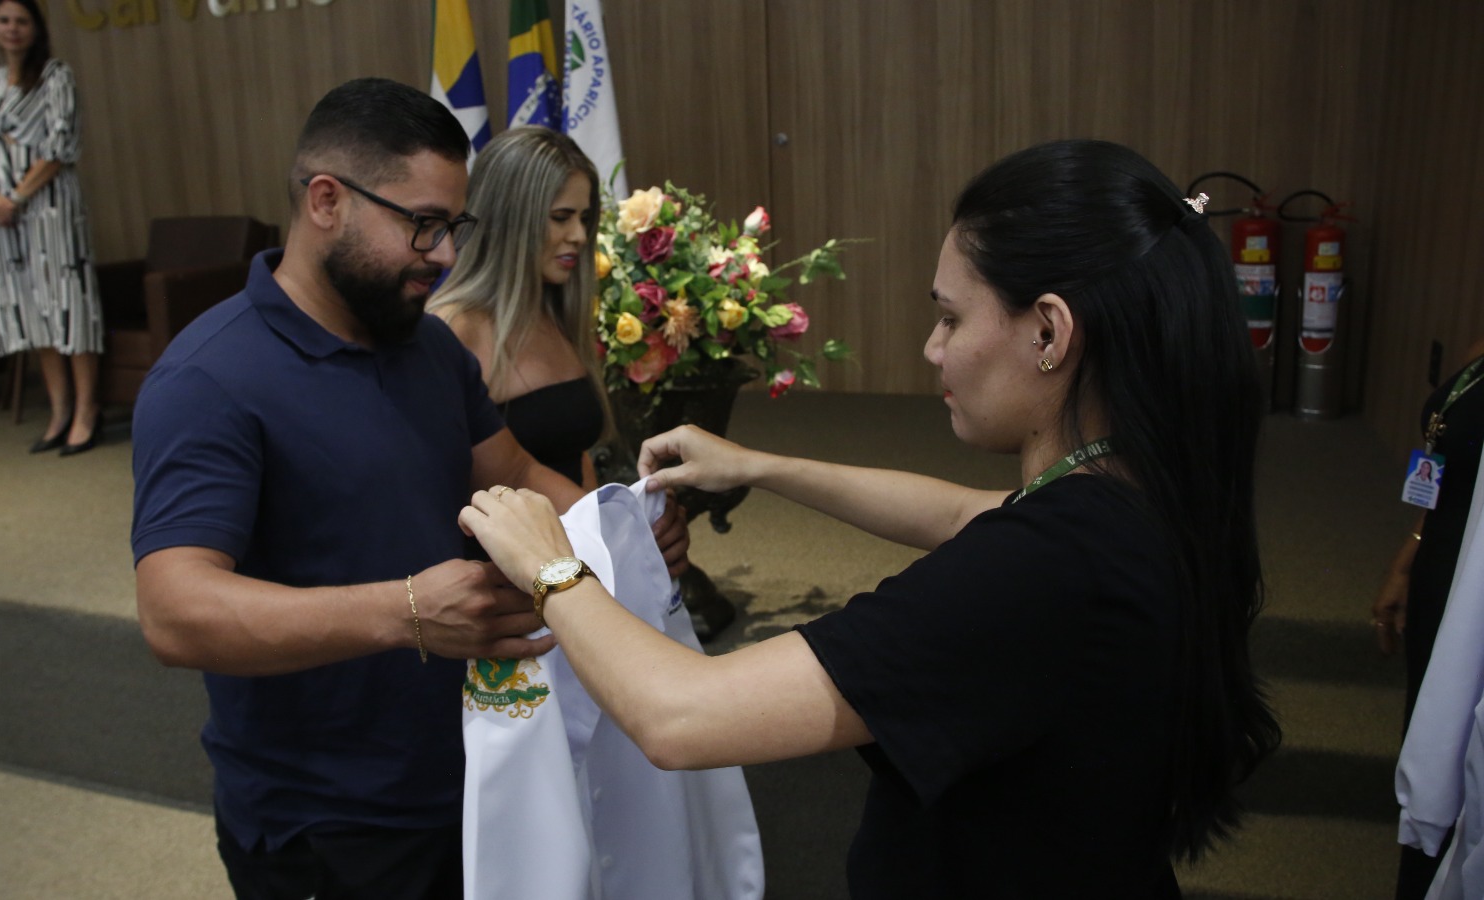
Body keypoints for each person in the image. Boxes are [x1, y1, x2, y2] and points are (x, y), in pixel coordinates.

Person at [460, 139, 1282, 897]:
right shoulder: (1136, 489)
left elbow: (681, 716)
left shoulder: (1035, 572)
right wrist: (761, 467)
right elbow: (960, 510)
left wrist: (551, 567)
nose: (933, 348)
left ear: (1049, 330)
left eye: (951, 318)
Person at [130, 78, 680, 899]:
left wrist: (621, 526)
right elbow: (174, 611)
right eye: (422, 224)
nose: (446, 255)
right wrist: (409, 611)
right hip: (328, 815)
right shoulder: (210, 378)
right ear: (326, 201)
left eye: (454, 226)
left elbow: (512, 473)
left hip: (467, 760)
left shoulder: (427, 347)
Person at [0, 0, 105, 455]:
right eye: (4, 20)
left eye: (21, 20)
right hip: (5, 220)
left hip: (50, 209)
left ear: (36, 27)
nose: (12, 28)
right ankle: (59, 412)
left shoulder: (55, 76)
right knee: (33, 310)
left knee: (68, 305)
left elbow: (62, 145)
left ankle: (87, 412)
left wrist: (17, 197)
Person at [428, 126, 607, 489]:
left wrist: (613, 518)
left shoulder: (559, 313)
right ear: (510, 219)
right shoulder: (452, 329)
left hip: (572, 526)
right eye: (561, 217)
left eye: (584, 218)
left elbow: (575, 452)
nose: (579, 235)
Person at [1373, 336, 1484, 900]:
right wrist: (1406, 560)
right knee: (1429, 722)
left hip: (1473, 583)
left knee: (1458, 749)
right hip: (1439, 564)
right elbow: (1441, 459)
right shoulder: (1477, 350)